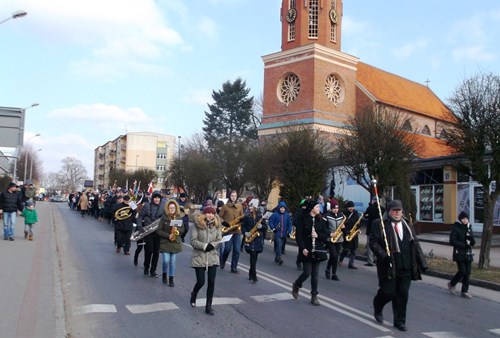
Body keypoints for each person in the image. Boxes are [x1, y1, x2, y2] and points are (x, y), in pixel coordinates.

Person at [369, 199, 428, 332]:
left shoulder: (407, 225)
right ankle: (378, 304)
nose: (397, 213)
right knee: (388, 291)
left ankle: (400, 321)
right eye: (394, 210)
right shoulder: (380, 224)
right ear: (389, 211)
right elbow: (373, 242)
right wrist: (384, 255)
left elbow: (416, 244)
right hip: (389, 265)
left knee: (403, 294)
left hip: (406, 265)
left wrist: (422, 263)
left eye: (399, 210)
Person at [291, 199, 329, 306]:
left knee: (315, 274)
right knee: (307, 272)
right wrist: (303, 248)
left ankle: (314, 296)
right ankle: (297, 284)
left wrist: (318, 236)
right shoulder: (302, 219)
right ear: (311, 209)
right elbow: (298, 236)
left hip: (318, 250)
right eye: (317, 207)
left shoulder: (321, 220)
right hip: (306, 249)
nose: (319, 209)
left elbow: (326, 235)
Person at [190, 206, 222, 315]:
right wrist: (204, 246)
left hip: (212, 256)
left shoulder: (217, 225)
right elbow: (193, 241)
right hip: (200, 256)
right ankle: (194, 293)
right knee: (201, 281)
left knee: (211, 282)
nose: (211, 215)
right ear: (204, 214)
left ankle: (208, 306)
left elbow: (219, 238)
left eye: (213, 213)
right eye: (208, 213)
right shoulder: (197, 225)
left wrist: (212, 245)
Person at [135, 191, 165, 277]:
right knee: (149, 250)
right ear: (152, 198)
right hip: (148, 232)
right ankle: (146, 267)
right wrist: (140, 226)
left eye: (158, 198)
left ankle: (153, 270)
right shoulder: (147, 206)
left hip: (158, 232)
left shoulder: (163, 206)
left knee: (156, 252)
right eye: (155, 197)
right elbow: (140, 217)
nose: (157, 199)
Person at [447, 211, 476, 299]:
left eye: (466, 219)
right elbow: (452, 241)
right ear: (460, 219)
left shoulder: (468, 227)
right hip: (459, 253)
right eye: (463, 219)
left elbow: (472, 242)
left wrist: (471, 239)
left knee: (467, 273)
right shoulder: (456, 228)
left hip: (468, 253)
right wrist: (463, 245)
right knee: (462, 271)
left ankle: (464, 291)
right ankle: (452, 284)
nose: (465, 220)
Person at [157, 199, 185, 286]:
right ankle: (164, 274)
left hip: (175, 242)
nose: (172, 209)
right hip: (165, 242)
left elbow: (182, 229)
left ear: (176, 208)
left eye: (173, 208)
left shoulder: (178, 217)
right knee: (166, 260)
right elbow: (159, 230)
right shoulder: (164, 218)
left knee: (173, 261)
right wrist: (167, 235)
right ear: (167, 209)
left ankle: (171, 279)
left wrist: (177, 231)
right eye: (170, 208)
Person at [219, 190, 244, 273]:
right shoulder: (225, 206)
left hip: (237, 231)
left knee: (237, 250)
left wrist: (242, 221)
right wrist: (225, 223)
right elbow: (219, 217)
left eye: (235, 196)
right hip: (228, 231)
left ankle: (234, 267)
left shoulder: (240, 206)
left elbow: (241, 217)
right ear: (230, 196)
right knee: (227, 249)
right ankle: (223, 260)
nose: (233, 197)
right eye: (232, 196)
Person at [241, 204, 268, 283]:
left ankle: (250, 272)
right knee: (253, 256)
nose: (250, 208)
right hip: (250, 239)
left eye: (252, 207)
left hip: (257, 240)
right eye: (249, 206)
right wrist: (245, 232)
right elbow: (243, 226)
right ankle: (254, 275)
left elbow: (265, 227)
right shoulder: (247, 217)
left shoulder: (260, 216)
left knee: (254, 258)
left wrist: (261, 226)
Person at [324, 200, 344, 281]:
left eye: (337, 208)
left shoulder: (341, 215)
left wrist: (344, 227)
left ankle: (332, 273)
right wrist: (330, 233)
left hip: (339, 238)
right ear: (331, 208)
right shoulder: (327, 216)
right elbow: (324, 228)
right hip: (330, 239)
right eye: (334, 208)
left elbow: (343, 227)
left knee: (335, 256)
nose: (336, 210)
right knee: (334, 255)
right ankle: (330, 270)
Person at [363, 196, 385, 266]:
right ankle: (377, 258)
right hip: (380, 230)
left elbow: (365, 215)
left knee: (370, 245)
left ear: (373, 201)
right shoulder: (383, 209)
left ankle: (370, 261)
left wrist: (368, 213)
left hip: (371, 229)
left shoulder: (370, 208)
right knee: (378, 244)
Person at [268, 200, 293, 265]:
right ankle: (279, 258)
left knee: (281, 246)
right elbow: (271, 222)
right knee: (279, 245)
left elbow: (289, 224)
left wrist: (289, 231)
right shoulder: (275, 214)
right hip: (277, 233)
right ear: (279, 208)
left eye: (283, 208)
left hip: (284, 234)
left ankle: (276, 257)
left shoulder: (287, 216)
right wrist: (273, 228)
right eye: (281, 208)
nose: (282, 209)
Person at [338, 200, 361, 269]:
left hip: (354, 233)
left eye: (352, 207)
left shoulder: (355, 213)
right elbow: (341, 225)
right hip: (347, 233)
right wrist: (346, 231)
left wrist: (357, 228)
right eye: (350, 207)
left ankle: (351, 263)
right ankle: (341, 259)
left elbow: (358, 222)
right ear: (347, 207)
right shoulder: (344, 214)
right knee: (346, 249)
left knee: (353, 249)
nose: (351, 208)